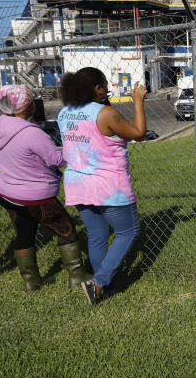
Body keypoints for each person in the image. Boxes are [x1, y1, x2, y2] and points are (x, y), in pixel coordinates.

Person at [57, 67, 146, 305]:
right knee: (128, 232)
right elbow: (138, 133)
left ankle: (106, 287)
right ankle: (98, 283)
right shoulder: (105, 113)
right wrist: (138, 101)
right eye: (105, 85)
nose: (107, 89)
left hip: (78, 184)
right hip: (108, 186)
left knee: (97, 237)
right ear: (97, 88)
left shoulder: (65, 112)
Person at [0, 84, 88, 292]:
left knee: (23, 234)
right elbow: (57, 160)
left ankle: (31, 280)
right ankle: (77, 276)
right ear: (26, 107)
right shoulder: (32, 134)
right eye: (32, 101)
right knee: (66, 229)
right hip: (35, 197)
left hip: (6, 192)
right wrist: (75, 146)